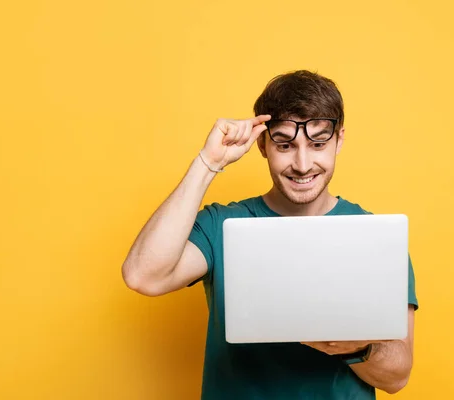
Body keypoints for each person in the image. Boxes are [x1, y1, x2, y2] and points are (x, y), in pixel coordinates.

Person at [122, 70, 418, 399]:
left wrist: (357, 347)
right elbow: (142, 276)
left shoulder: (375, 238)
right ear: (262, 143)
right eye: (285, 145)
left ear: (340, 140)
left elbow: (397, 375)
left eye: (318, 143)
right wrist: (208, 162)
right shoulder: (222, 225)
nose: (303, 164)